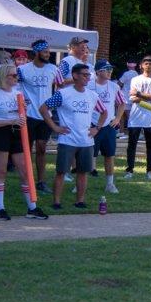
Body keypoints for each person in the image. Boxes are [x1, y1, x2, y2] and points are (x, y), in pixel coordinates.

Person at [0, 65, 48, 221]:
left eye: (16, 75)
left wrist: (23, 111)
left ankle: (32, 208)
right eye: (12, 75)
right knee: (1, 171)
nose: (16, 77)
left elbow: (21, 115)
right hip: (1, 134)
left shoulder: (18, 93)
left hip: (18, 133)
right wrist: (10, 121)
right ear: (4, 76)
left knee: (25, 171)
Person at [41, 63, 107, 210]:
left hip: (86, 141)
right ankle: (56, 202)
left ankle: (80, 201)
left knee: (83, 173)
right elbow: (43, 108)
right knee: (61, 172)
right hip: (67, 140)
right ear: (75, 75)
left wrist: (97, 128)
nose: (88, 77)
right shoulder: (63, 93)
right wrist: (55, 127)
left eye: (89, 75)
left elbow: (104, 112)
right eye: (84, 74)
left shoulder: (92, 95)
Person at [17, 39, 62, 194]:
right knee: (27, 149)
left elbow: (61, 85)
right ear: (36, 53)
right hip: (28, 114)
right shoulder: (22, 69)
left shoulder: (53, 69)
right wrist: (21, 101)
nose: (48, 54)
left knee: (42, 148)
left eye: (49, 52)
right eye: (45, 52)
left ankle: (41, 181)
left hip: (46, 115)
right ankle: (27, 181)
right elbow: (16, 87)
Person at [125, 55, 151, 180]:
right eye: (146, 63)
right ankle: (129, 170)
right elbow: (133, 99)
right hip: (136, 117)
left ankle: (149, 171)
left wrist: (139, 94)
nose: (148, 65)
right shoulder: (135, 79)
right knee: (132, 145)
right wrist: (149, 96)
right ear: (141, 65)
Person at [89, 60, 126, 193]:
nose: (110, 71)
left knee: (109, 155)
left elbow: (122, 103)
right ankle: (80, 184)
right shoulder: (88, 85)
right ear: (98, 72)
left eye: (111, 69)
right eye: (106, 69)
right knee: (86, 154)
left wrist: (117, 118)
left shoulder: (114, 86)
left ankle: (110, 184)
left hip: (108, 125)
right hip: (91, 124)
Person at [118, 59, 139, 138]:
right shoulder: (137, 75)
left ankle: (125, 132)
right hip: (133, 98)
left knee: (123, 116)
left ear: (127, 65)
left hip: (125, 97)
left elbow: (119, 83)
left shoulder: (126, 74)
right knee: (129, 116)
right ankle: (124, 132)